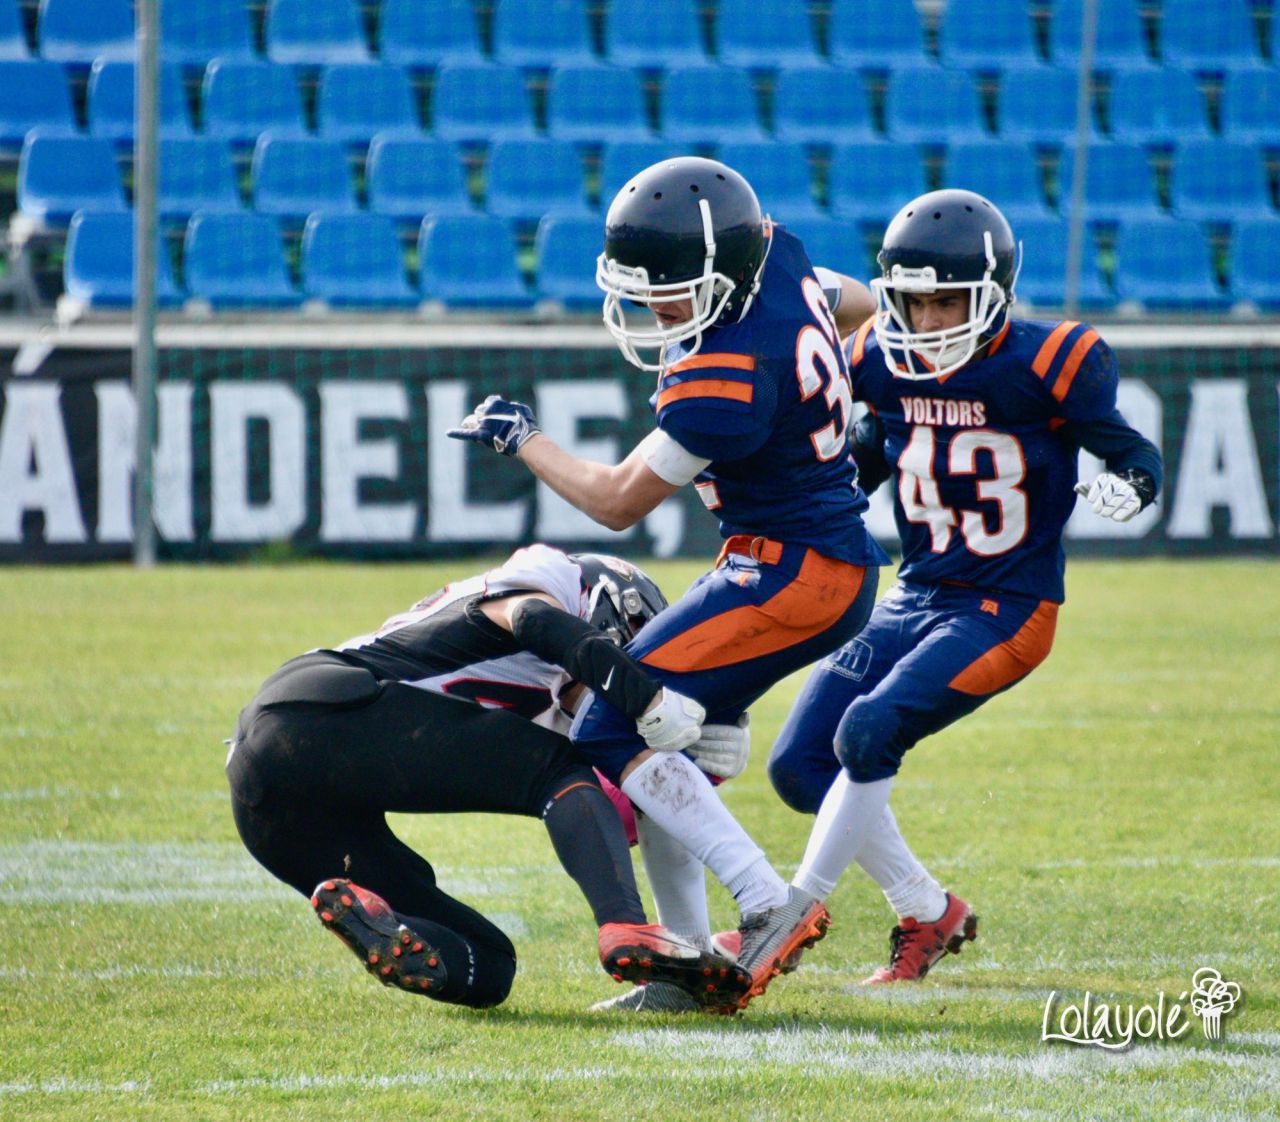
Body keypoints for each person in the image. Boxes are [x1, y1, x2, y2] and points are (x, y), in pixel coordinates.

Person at [448, 156, 889, 1011]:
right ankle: (687, 965)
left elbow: (615, 503)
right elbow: (862, 304)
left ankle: (766, 904)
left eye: (674, 287)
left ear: (723, 270)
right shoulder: (780, 258)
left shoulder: (722, 371)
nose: (656, 305)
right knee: (655, 738)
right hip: (802, 560)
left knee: (609, 720)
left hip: (792, 572)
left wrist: (521, 438)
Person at [766, 189, 1164, 983]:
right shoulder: (875, 354)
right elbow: (870, 458)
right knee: (798, 766)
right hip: (917, 594)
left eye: (946, 300)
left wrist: (1135, 482)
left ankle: (785, 917)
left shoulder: (1049, 360)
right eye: (912, 301)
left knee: (870, 730)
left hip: (1008, 606)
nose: (928, 318)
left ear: (992, 297)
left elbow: (1130, 450)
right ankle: (928, 912)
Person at [225, 545, 753, 1011]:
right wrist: (643, 697)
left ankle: (386, 925)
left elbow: (605, 818)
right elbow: (530, 620)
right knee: (554, 769)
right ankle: (625, 925)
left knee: (487, 965)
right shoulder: (554, 578)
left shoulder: (565, 708)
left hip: (267, 798)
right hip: (317, 701)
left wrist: (697, 769)